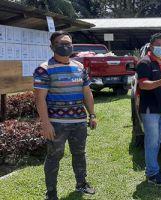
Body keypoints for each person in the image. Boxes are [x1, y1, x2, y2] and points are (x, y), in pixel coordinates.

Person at [33, 31, 97, 200]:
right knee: (54, 157)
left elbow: (87, 92)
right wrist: (45, 124)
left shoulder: (79, 67)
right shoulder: (44, 69)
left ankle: (81, 184)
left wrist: (92, 114)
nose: (66, 46)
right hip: (56, 124)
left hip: (79, 121)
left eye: (69, 43)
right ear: (52, 47)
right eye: (62, 43)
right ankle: (51, 193)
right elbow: (40, 99)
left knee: (79, 154)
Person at [136, 33, 161, 186]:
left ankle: (153, 168)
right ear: (151, 46)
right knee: (152, 141)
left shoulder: (160, 60)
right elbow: (143, 85)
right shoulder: (144, 62)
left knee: (159, 139)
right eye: (159, 45)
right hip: (150, 108)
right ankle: (152, 174)